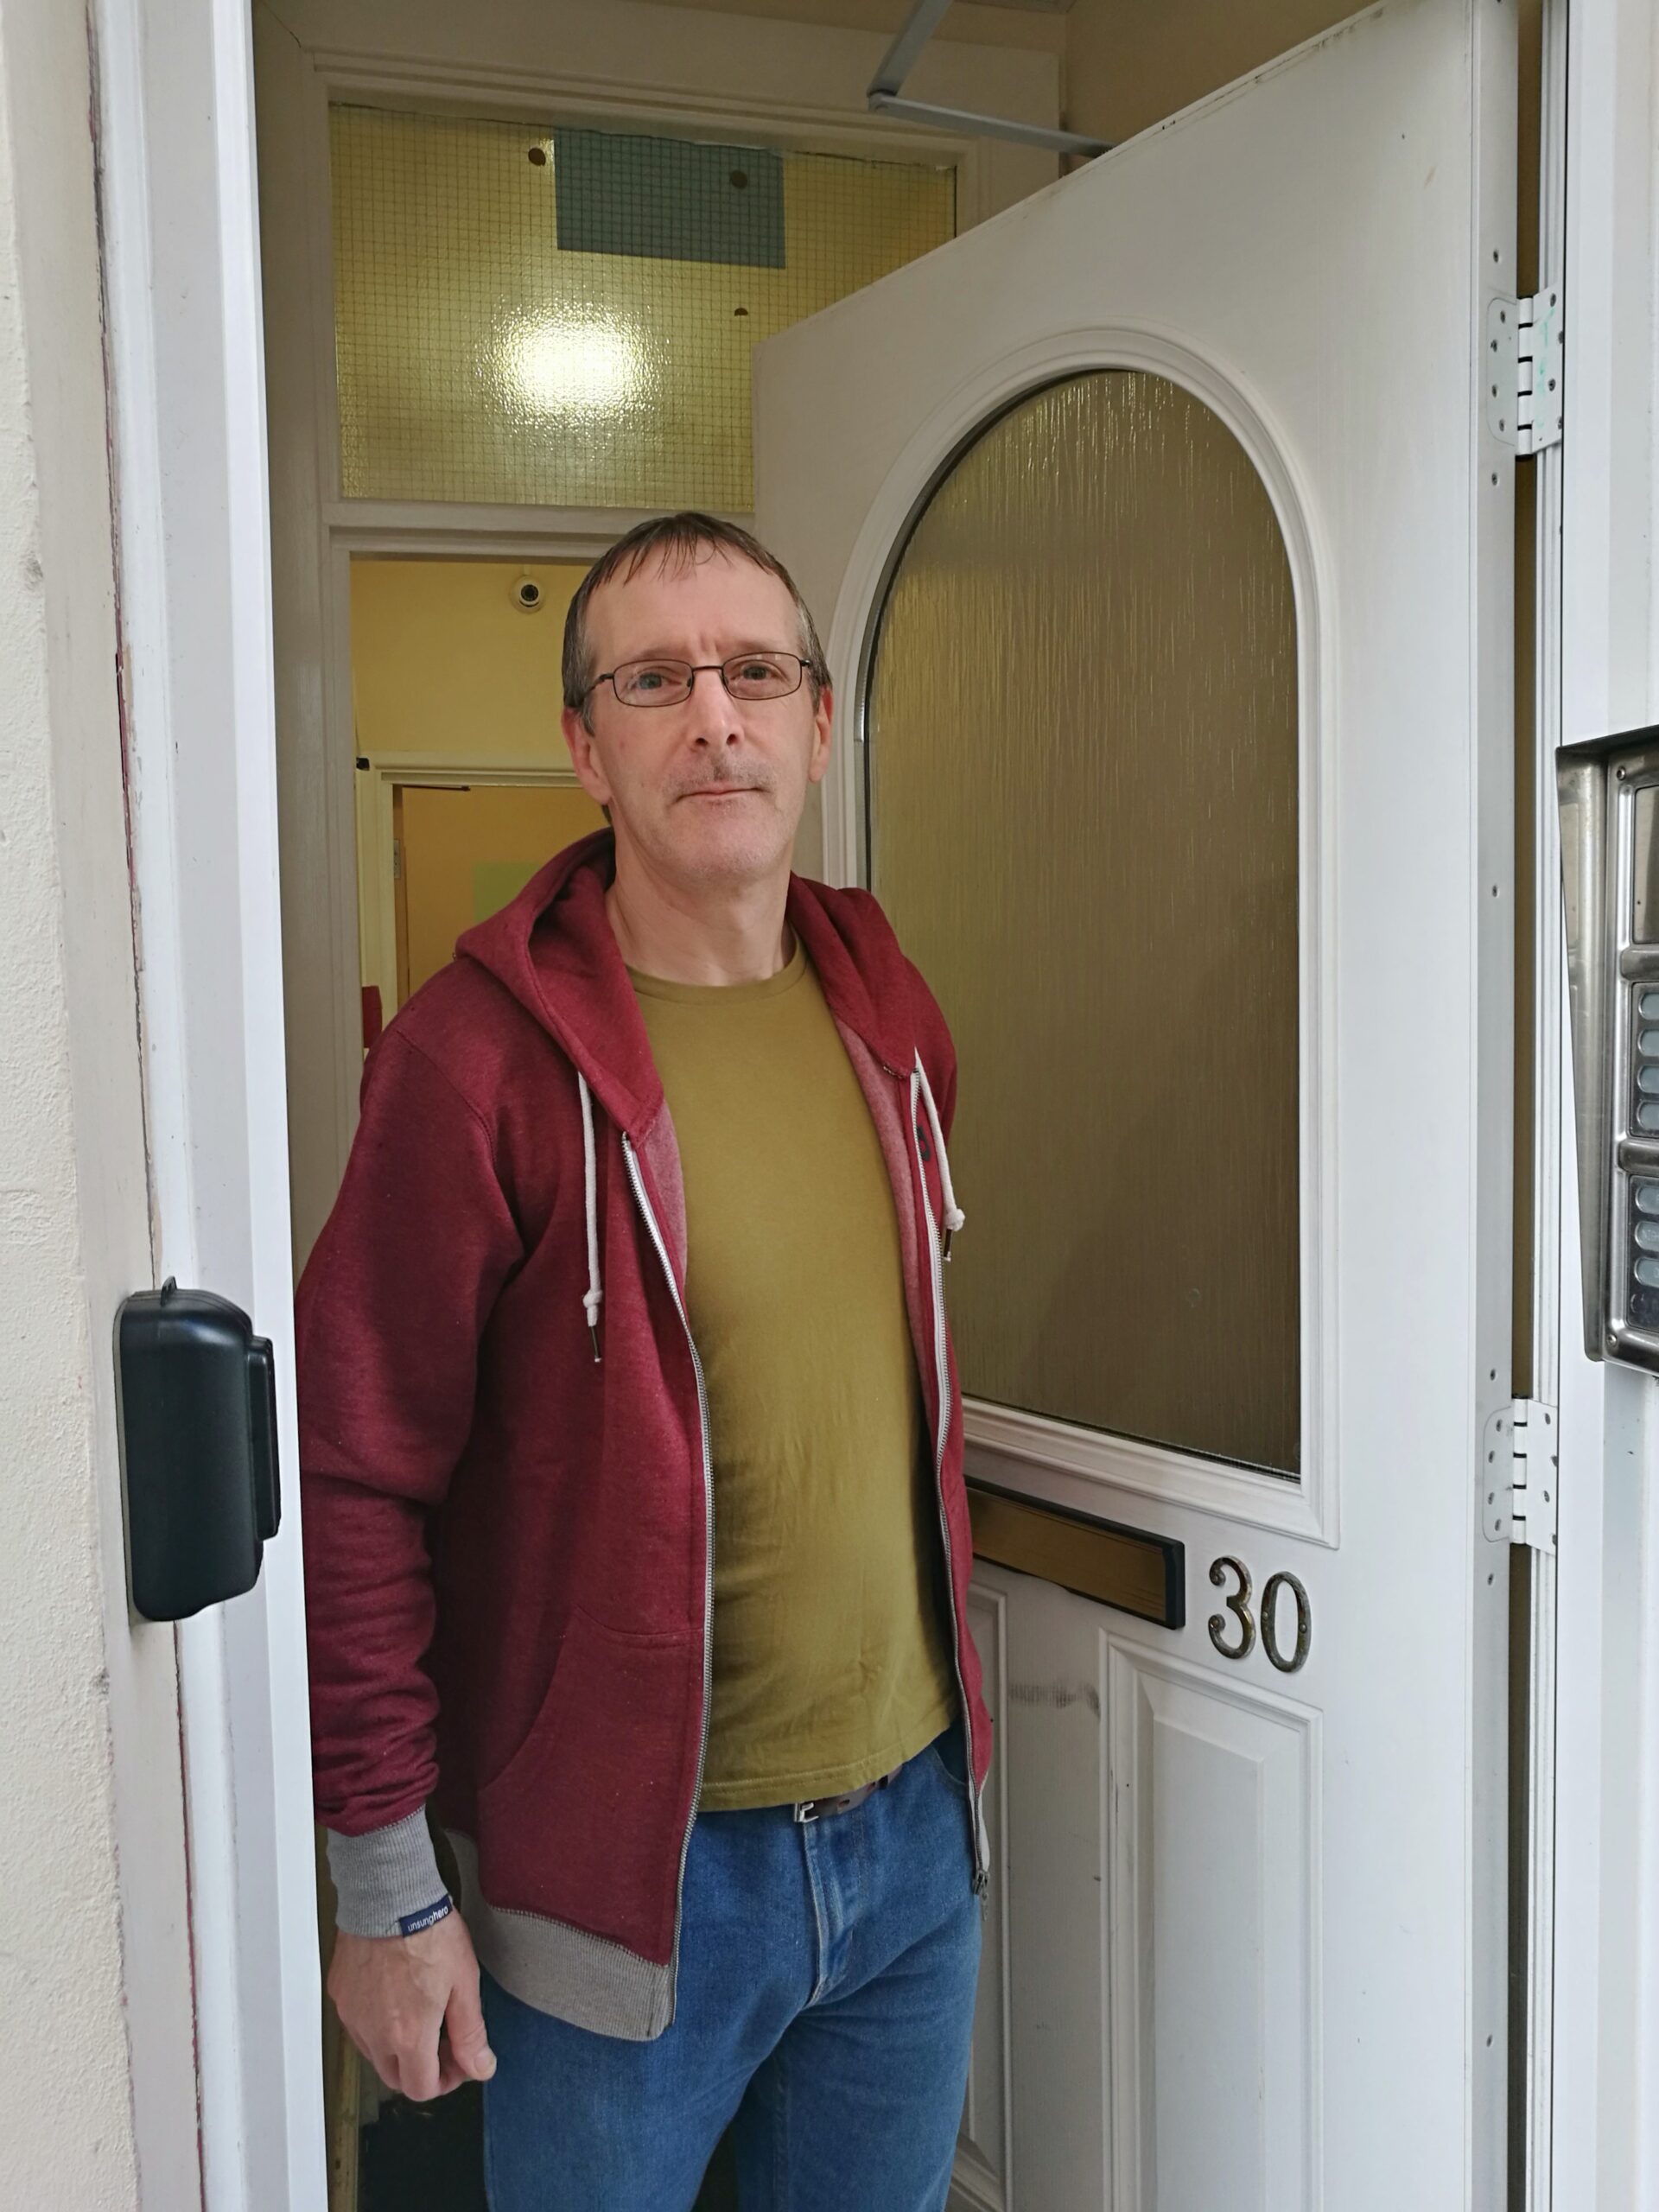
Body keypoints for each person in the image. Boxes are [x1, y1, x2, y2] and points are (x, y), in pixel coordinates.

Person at [297, 511, 992, 2211]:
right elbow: (350, 1473)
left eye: (755, 671)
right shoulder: (475, 1062)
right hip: (622, 1884)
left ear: (818, 723)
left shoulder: (884, 1000)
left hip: (911, 1844)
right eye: (654, 678)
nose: (715, 716)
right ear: (585, 743)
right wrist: (387, 1886)